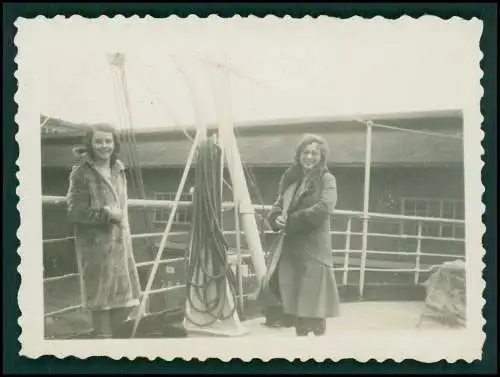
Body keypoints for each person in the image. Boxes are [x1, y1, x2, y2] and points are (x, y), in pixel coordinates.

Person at [257, 133, 341, 336]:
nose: (310, 157)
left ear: (321, 156)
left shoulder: (327, 179)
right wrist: (276, 217)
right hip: (291, 247)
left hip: (313, 245)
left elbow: (324, 207)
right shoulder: (291, 181)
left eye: (315, 153)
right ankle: (301, 338)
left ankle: (316, 343)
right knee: (295, 293)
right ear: (299, 155)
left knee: (313, 296)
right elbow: (277, 206)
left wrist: (291, 221)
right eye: (306, 153)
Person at [66, 123, 141, 338]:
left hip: (120, 243)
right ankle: (104, 345)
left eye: (108, 141)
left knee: (127, 302)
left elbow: (123, 207)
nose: (104, 145)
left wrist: (122, 224)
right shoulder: (80, 172)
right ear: (90, 143)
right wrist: (107, 214)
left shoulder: (119, 170)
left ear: (114, 143)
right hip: (96, 246)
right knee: (100, 303)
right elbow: (75, 211)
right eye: (98, 141)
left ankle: (110, 342)